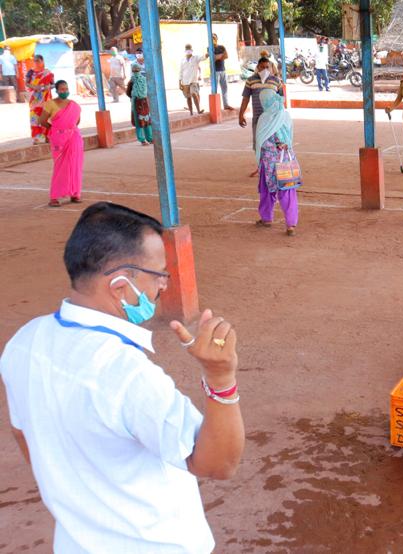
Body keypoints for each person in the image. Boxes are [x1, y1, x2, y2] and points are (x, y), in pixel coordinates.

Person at [0, 201, 245, 552]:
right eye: (158, 273)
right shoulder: (125, 373)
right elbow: (218, 463)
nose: (163, 285)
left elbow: (22, 431)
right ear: (119, 284)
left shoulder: (25, 341)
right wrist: (221, 378)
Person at [254, 89, 300, 236]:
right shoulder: (285, 115)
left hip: (268, 162)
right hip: (286, 159)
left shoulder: (264, 118)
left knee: (266, 190)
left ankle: (266, 218)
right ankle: (291, 224)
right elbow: (290, 136)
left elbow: (261, 142)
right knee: (288, 191)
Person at [37, 80, 83, 207]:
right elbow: (42, 121)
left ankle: (75, 193)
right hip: (58, 138)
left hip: (74, 137)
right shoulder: (50, 104)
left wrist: (67, 129)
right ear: (56, 90)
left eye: (66, 89)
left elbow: (77, 121)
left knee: (75, 164)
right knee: (60, 166)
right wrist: (55, 129)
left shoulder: (74, 105)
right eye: (62, 89)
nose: (65, 91)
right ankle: (54, 197)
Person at [239, 57, 285, 178]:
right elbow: (245, 98)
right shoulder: (250, 81)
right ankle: (261, 168)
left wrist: (282, 117)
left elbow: (281, 100)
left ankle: (276, 167)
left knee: (275, 143)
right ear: (257, 67)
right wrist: (241, 114)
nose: (264, 69)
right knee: (258, 143)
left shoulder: (276, 81)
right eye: (262, 67)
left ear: (270, 68)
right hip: (258, 118)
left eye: (267, 67)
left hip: (273, 119)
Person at [27, 55, 55, 145]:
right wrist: (34, 87)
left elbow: (54, 85)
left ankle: (48, 137)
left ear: (42, 61)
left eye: (38, 61)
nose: (36, 63)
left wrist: (48, 87)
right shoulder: (30, 72)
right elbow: (26, 83)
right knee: (34, 118)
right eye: (34, 61)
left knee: (46, 118)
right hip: (34, 99)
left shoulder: (47, 72)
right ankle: (37, 139)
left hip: (46, 99)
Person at [127, 62, 153, 146]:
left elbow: (128, 92)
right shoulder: (143, 79)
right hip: (143, 101)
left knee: (142, 121)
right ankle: (148, 139)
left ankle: (144, 139)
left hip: (138, 101)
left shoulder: (132, 81)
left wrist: (134, 95)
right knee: (144, 120)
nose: (136, 71)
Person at [179, 44, 208, 116]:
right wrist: (180, 83)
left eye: (189, 49)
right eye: (187, 49)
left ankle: (198, 110)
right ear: (185, 51)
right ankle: (191, 112)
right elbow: (180, 72)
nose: (188, 51)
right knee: (188, 97)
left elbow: (203, 57)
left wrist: (208, 53)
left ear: (192, 50)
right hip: (185, 82)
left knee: (194, 94)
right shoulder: (182, 60)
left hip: (193, 81)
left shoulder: (196, 58)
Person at [211, 33, 234, 111]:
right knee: (215, 89)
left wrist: (218, 57)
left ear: (217, 38)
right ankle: (216, 107)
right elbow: (213, 58)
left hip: (223, 70)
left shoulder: (221, 47)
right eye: (212, 38)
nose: (213, 39)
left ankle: (226, 105)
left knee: (225, 88)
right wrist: (221, 56)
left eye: (214, 37)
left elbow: (226, 56)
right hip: (215, 71)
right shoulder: (209, 48)